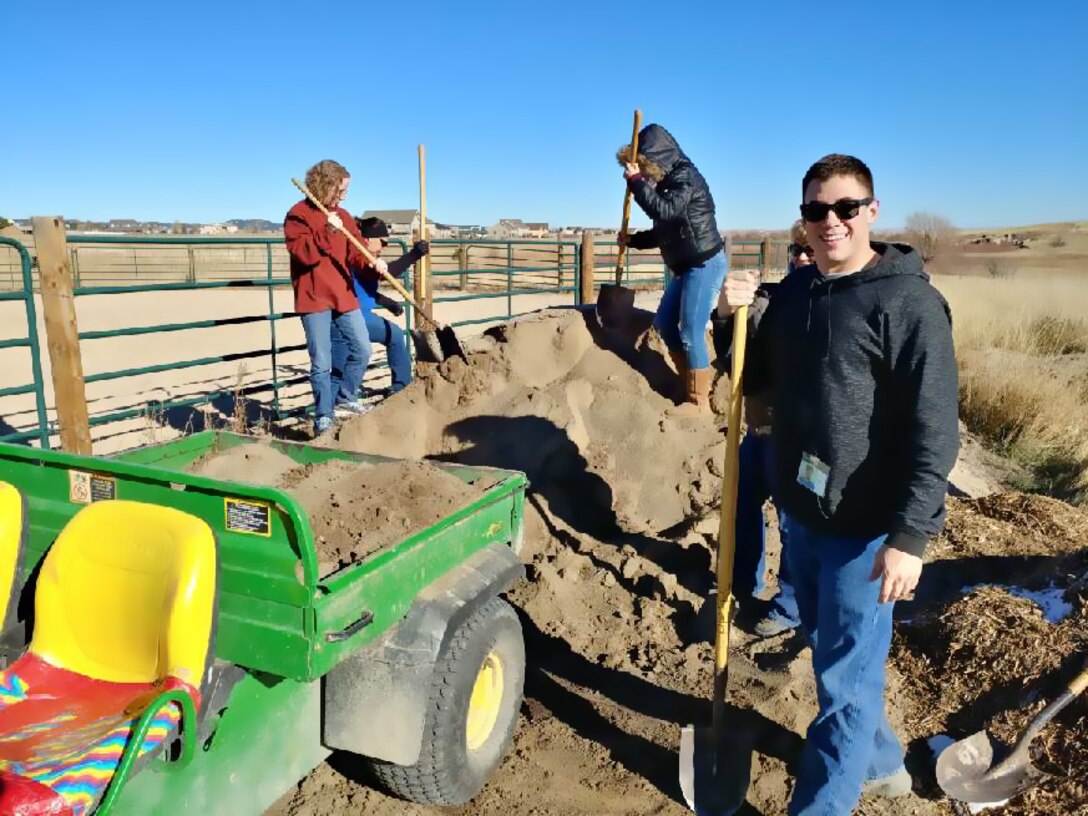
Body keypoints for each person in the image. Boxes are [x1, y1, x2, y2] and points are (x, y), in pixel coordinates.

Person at [722, 154, 959, 814]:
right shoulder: (796, 293)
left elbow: (936, 430)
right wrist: (729, 314)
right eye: (816, 211)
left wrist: (911, 535)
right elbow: (745, 368)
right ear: (803, 220)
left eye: (845, 208)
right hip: (803, 513)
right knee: (834, 655)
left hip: (868, 528)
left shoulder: (909, 303)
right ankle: (884, 766)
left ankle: (822, 805)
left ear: (871, 213)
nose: (831, 222)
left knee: (846, 684)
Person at [717, 221, 813, 637]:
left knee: (796, 525)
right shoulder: (770, 300)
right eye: (798, 250)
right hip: (758, 433)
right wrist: (726, 309)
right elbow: (731, 354)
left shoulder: (834, 305)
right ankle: (739, 585)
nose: (802, 258)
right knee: (740, 509)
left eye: (810, 251)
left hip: (807, 446)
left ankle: (791, 606)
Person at [618, 124, 727, 418]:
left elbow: (664, 211)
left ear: (657, 157)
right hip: (686, 267)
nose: (645, 171)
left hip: (704, 263)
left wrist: (637, 183)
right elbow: (663, 230)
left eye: (645, 165)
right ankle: (688, 381)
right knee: (666, 323)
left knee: (691, 331)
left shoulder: (686, 178)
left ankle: (699, 402)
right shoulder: (666, 184)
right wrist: (633, 241)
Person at [284, 159, 382, 435]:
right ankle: (323, 416)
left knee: (362, 348)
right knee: (322, 362)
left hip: (343, 293)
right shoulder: (298, 215)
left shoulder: (344, 216)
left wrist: (372, 263)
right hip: (314, 297)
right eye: (341, 189)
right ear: (325, 186)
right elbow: (303, 254)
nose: (344, 195)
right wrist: (327, 231)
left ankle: (346, 397)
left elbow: (357, 251)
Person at [330, 217, 428, 396]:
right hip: (353, 315)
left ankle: (330, 408)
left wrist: (388, 303)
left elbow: (362, 290)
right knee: (396, 336)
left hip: (343, 315)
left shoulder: (354, 255)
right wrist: (413, 255)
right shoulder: (360, 256)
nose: (385, 246)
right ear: (367, 240)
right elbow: (385, 274)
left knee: (340, 366)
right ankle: (401, 387)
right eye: (382, 241)